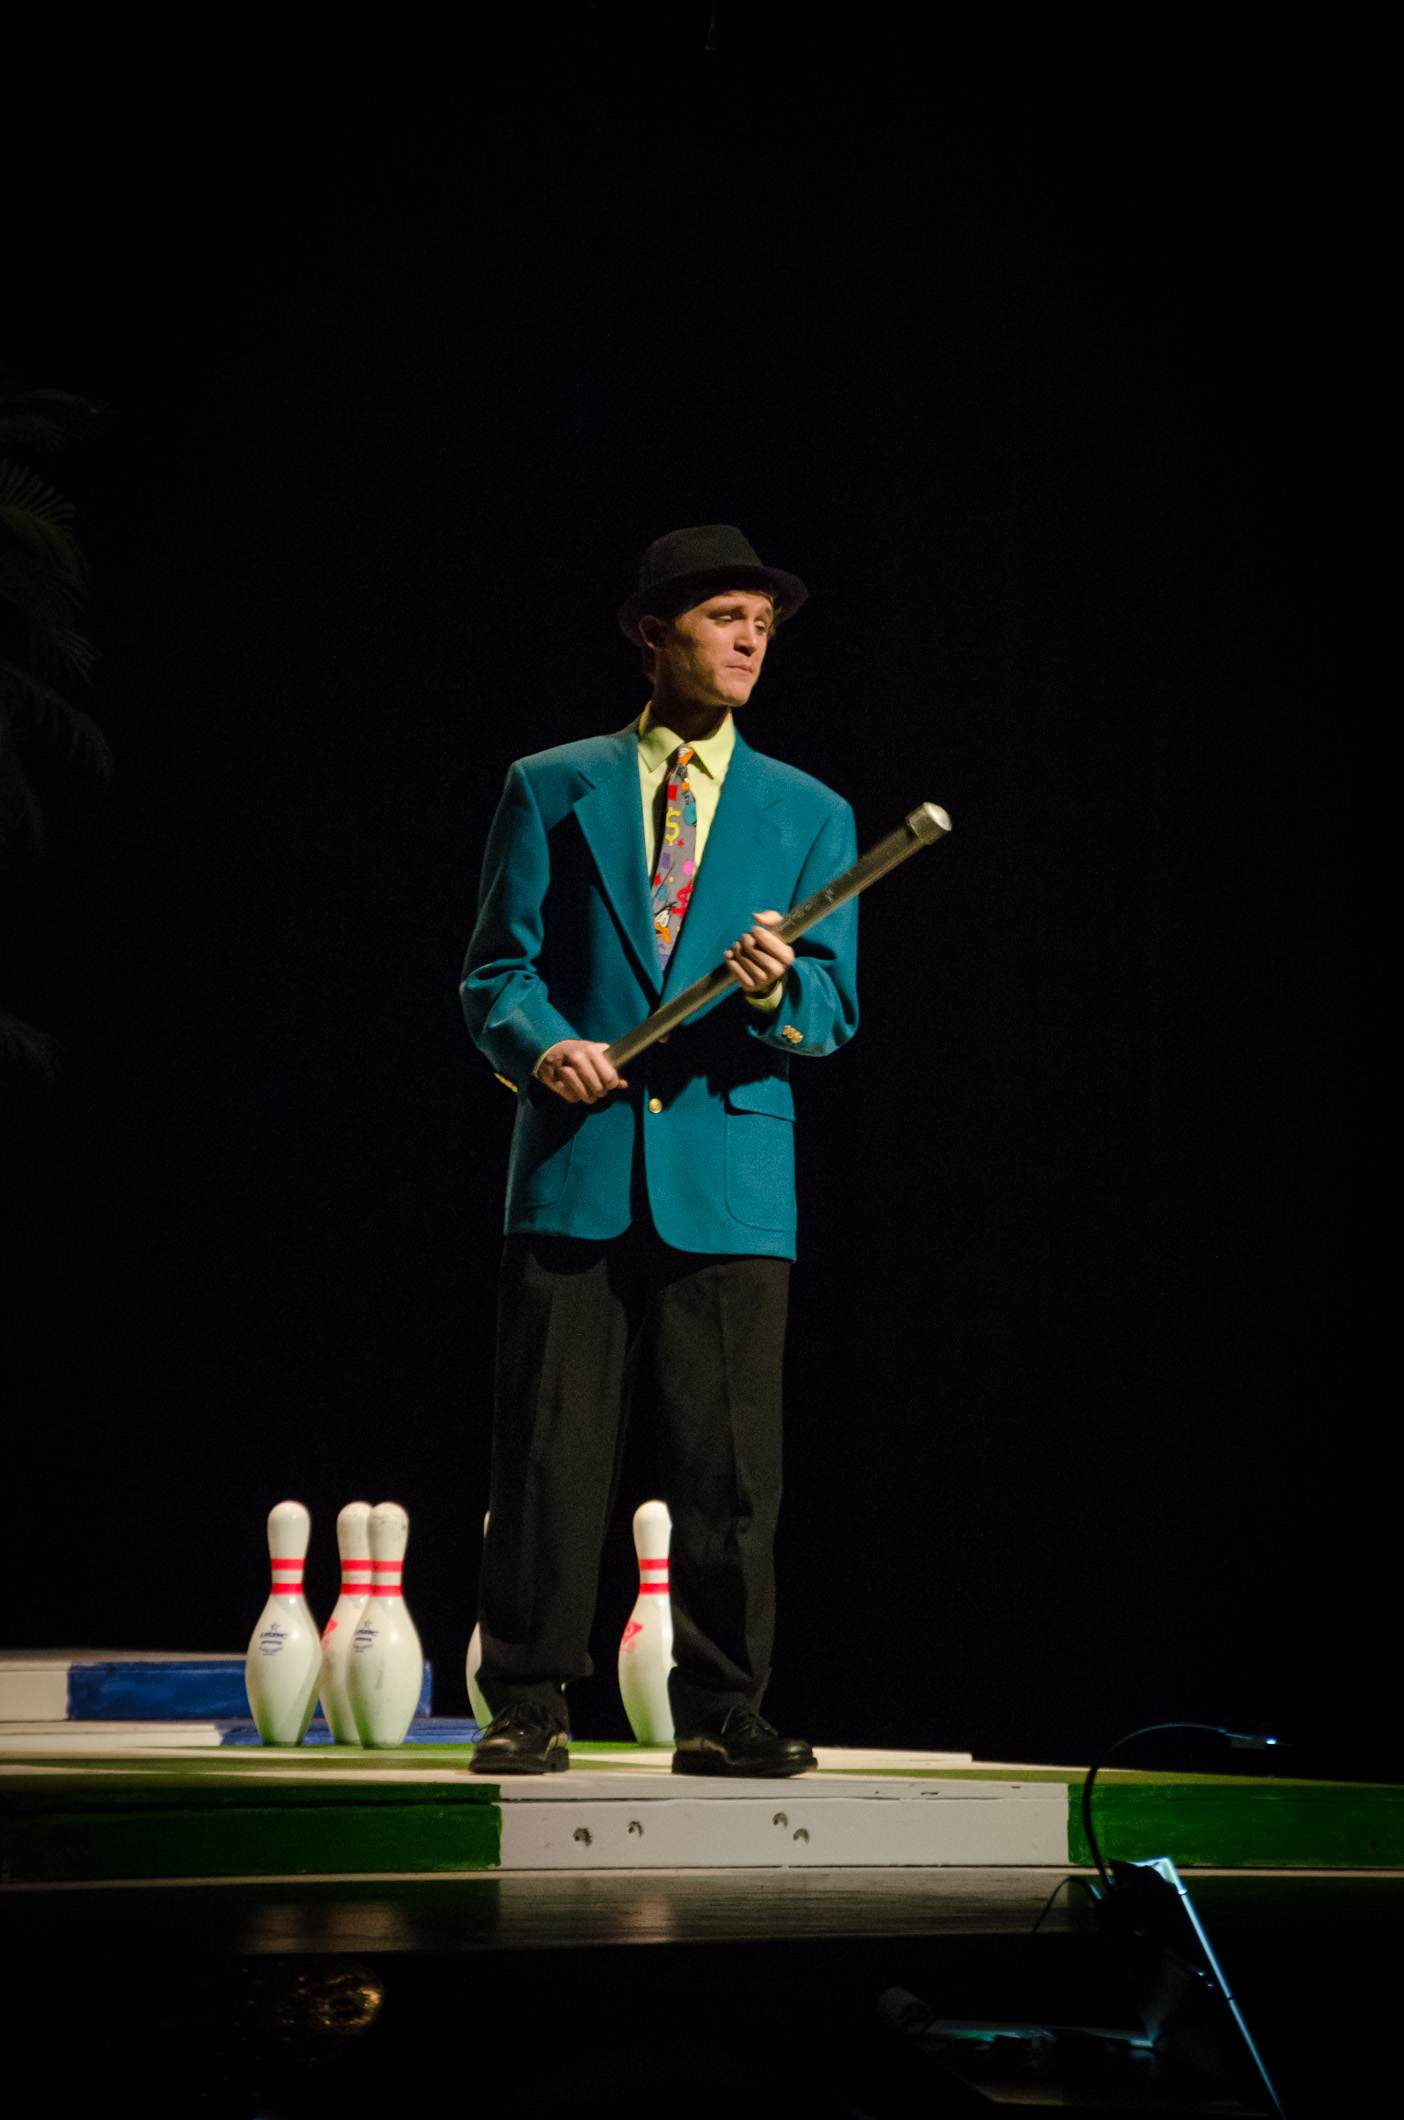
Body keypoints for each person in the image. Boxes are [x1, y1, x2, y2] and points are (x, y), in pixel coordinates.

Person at [460, 524, 859, 1775]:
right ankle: (528, 1698)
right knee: (548, 1450)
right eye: (725, 617)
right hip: (576, 1157)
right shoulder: (551, 783)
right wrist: (544, 1050)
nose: (750, 641)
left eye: (763, 624)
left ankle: (726, 1708)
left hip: (730, 1178)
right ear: (653, 632)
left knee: (731, 1468)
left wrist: (771, 990)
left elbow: (832, 1009)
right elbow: (497, 972)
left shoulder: (811, 810)